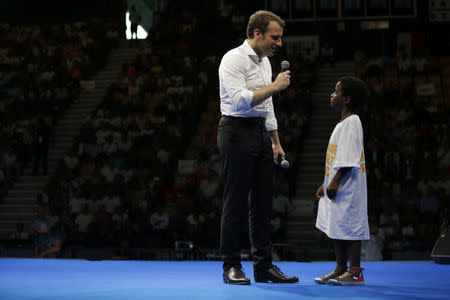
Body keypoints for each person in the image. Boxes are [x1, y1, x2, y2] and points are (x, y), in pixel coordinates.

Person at [217, 10, 298, 285]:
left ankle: (264, 267)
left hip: (261, 133)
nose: (279, 43)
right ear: (257, 34)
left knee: (263, 204)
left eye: (280, 38)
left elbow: (267, 104)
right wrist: (275, 86)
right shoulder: (233, 59)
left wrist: (275, 140)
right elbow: (240, 101)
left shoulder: (265, 62)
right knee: (235, 201)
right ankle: (231, 265)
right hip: (235, 131)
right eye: (275, 37)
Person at [314, 76, 369, 286]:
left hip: (350, 186)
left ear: (346, 99)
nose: (332, 95)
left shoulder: (353, 122)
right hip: (339, 183)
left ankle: (355, 272)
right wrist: (326, 181)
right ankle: (340, 268)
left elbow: (350, 156)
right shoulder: (342, 123)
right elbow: (337, 158)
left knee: (351, 227)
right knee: (337, 225)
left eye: (335, 92)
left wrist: (335, 180)